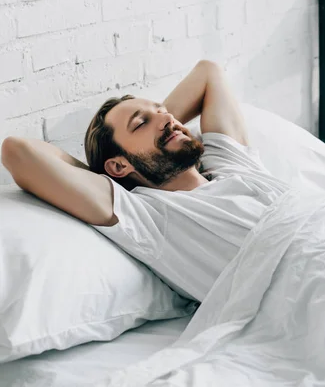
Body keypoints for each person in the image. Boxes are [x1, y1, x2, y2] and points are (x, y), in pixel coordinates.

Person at [2, 60, 290, 302]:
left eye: (164, 112)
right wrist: (106, 174)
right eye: (140, 124)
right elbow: (17, 151)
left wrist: (157, 122)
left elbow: (208, 73)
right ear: (118, 165)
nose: (168, 119)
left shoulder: (232, 164)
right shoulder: (148, 215)